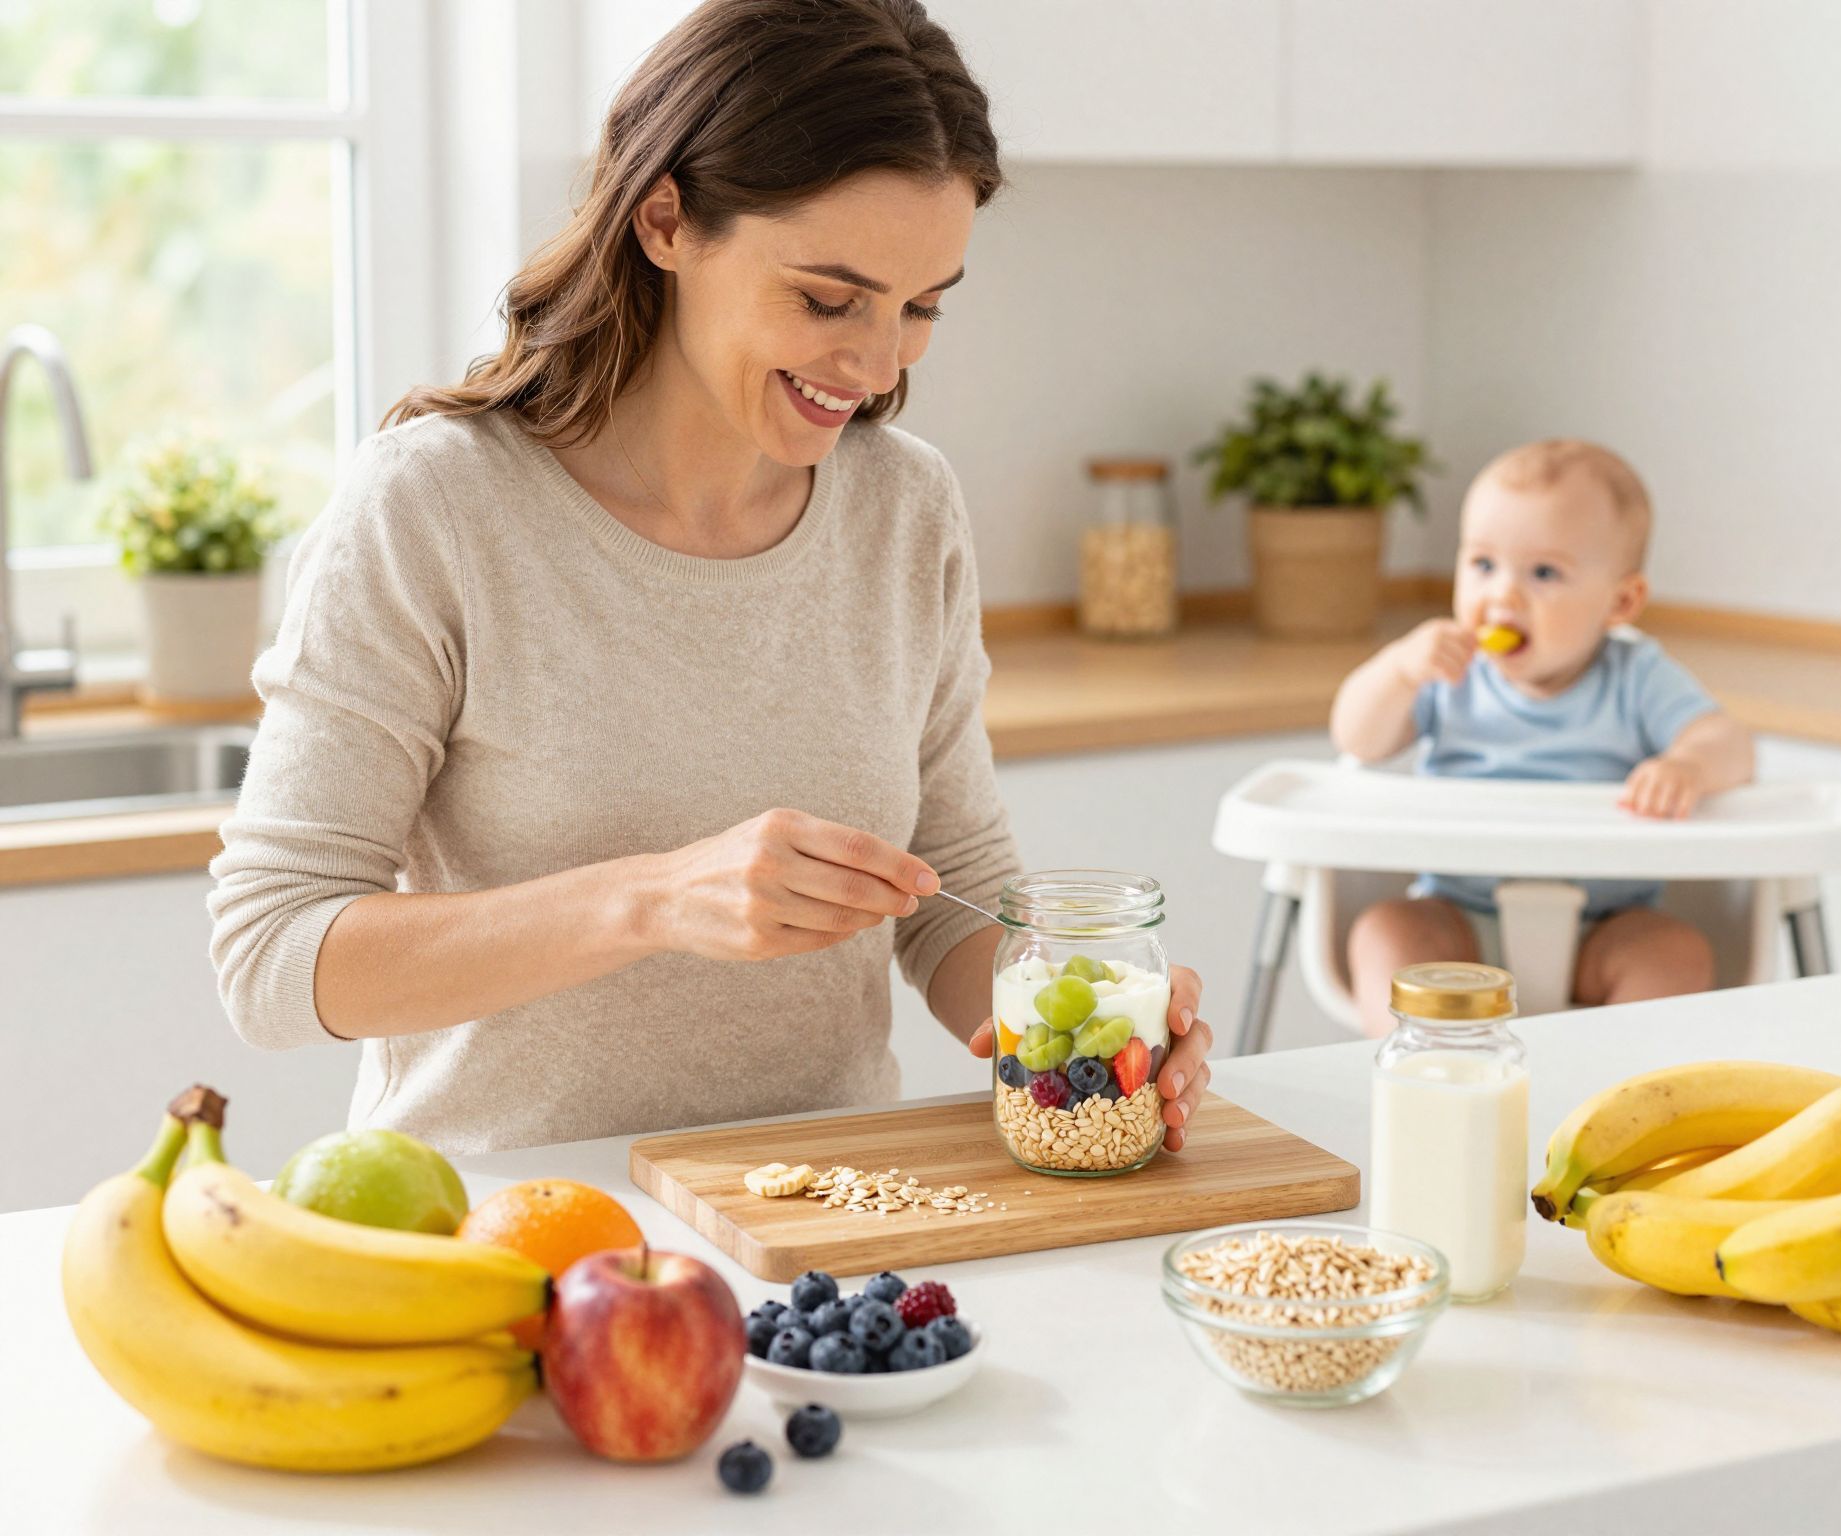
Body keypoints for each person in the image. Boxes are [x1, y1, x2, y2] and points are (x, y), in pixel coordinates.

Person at [207, 0, 1214, 1152]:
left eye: (921, 305)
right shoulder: (435, 507)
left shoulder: (903, 506)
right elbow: (271, 958)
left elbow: (948, 895)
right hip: (516, 1222)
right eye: (826, 299)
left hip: (827, 1209)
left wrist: (1092, 1013)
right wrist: (649, 899)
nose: (876, 361)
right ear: (665, 222)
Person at [1330, 439, 1755, 1033]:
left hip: (1604, 931)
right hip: (1457, 922)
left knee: (1675, 954)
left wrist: (1688, 765)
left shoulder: (1636, 677)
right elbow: (1357, 738)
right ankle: (1418, 1069)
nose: (1502, 595)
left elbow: (1729, 740)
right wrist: (1398, 670)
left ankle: (1617, 1078)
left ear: (1621, 600)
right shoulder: (1449, 671)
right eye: (1483, 565)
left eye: (1544, 573)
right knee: (1385, 932)